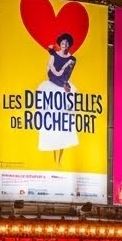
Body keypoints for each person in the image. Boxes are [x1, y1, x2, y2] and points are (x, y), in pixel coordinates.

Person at [37, 33, 78, 164]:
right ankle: (53, 158)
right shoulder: (53, 55)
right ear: (60, 43)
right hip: (51, 86)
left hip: (63, 88)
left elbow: (67, 74)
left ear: (69, 45)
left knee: (64, 125)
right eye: (62, 42)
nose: (64, 45)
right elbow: (49, 71)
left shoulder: (72, 59)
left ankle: (59, 160)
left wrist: (64, 85)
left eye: (66, 43)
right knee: (50, 122)